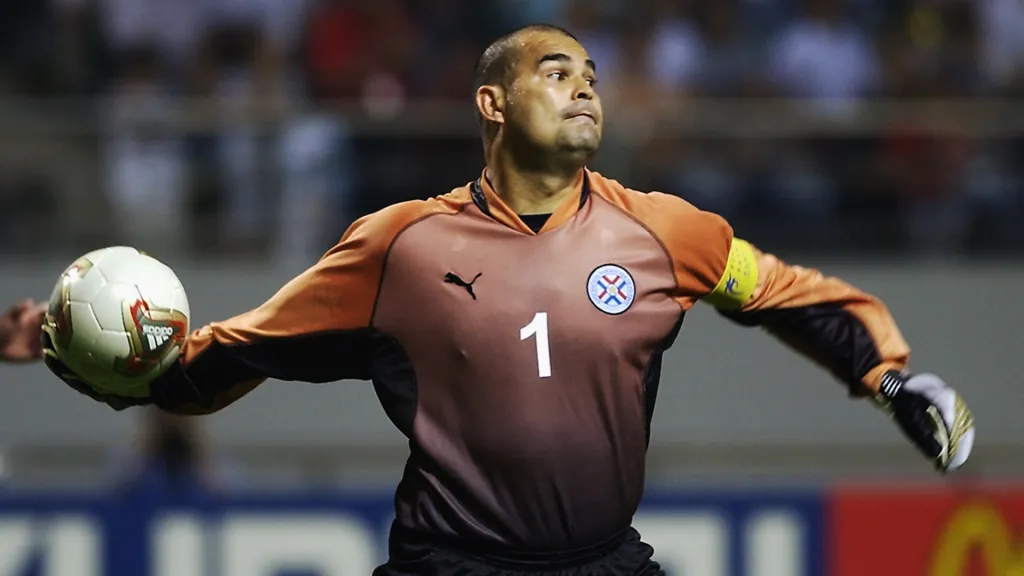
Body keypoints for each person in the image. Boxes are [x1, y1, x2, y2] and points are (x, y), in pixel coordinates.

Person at [41, 24, 975, 576]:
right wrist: (137, 384)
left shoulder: (663, 233)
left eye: (592, 77)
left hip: (604, 562)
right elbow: (242, 352)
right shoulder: (398, 246)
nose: (585, 89)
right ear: (492, 104)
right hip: (449, 567)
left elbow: (788, 297)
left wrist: (893, 381)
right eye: (556, 72)